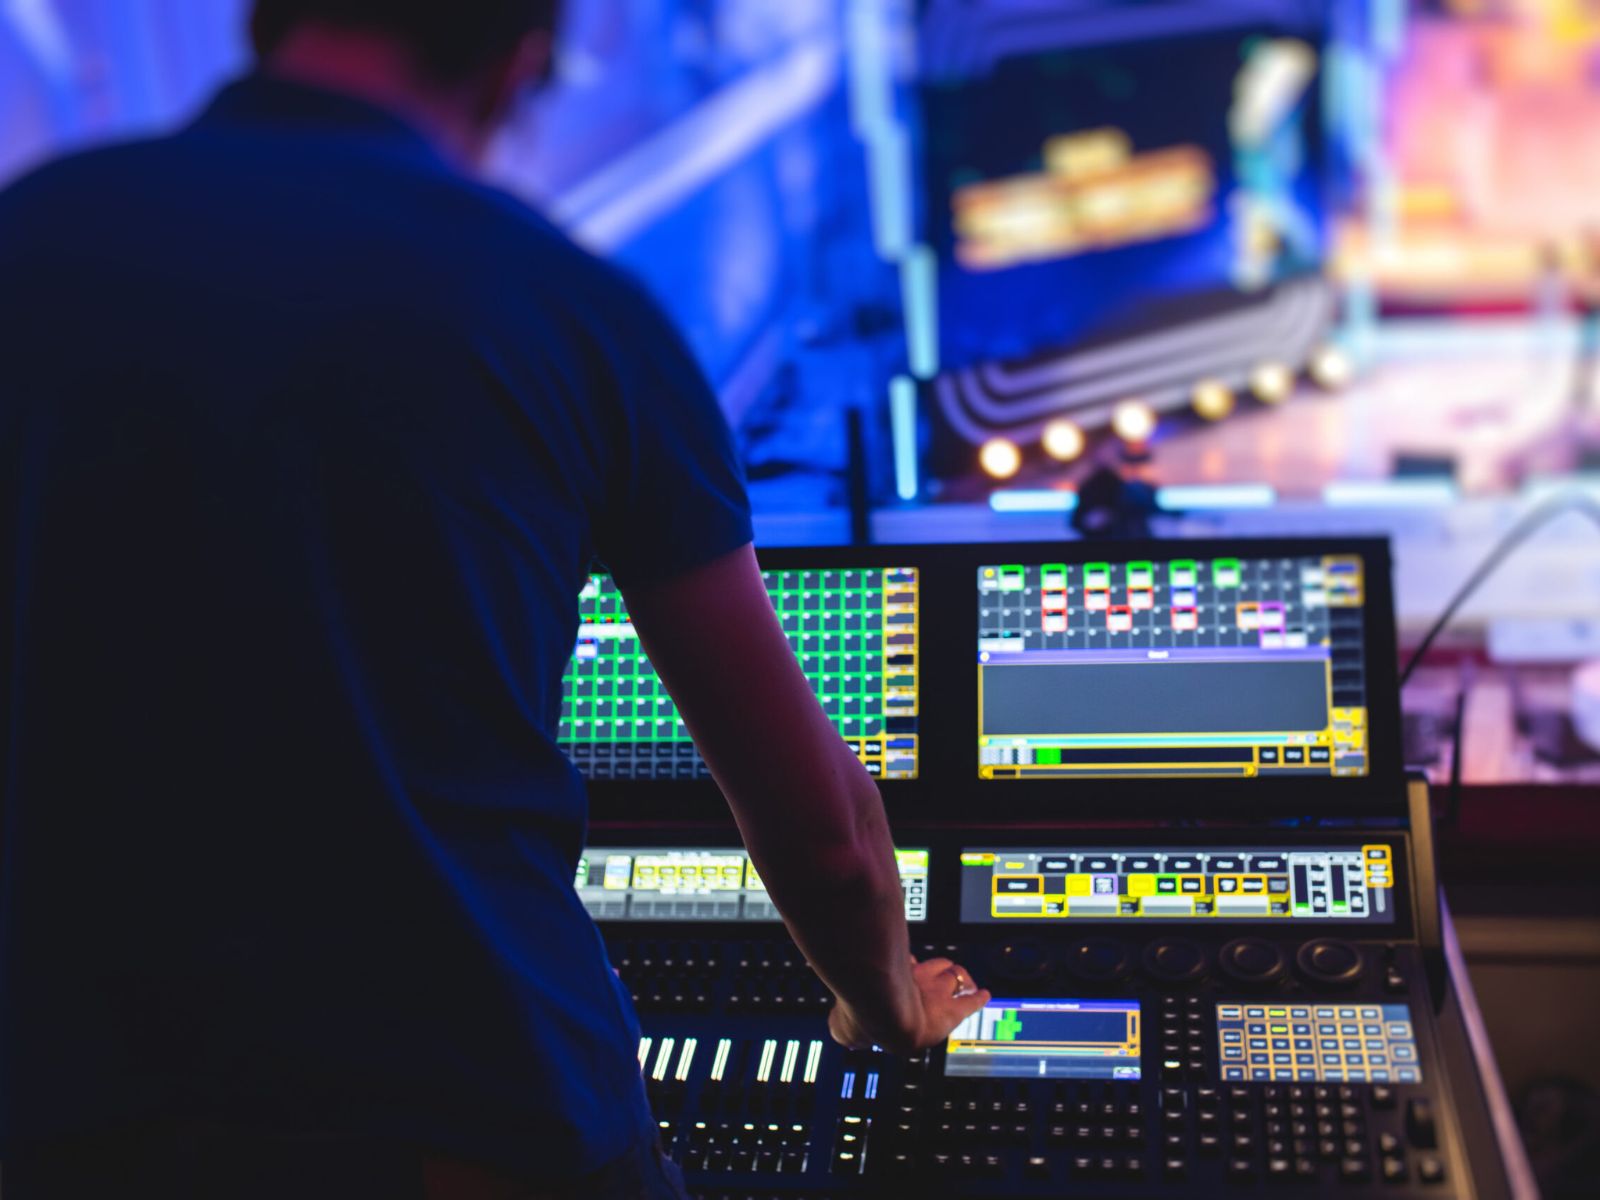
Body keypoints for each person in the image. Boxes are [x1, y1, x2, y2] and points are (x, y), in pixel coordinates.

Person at [0, 1, 989, 1196]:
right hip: (466, 1115)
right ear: (520, 64)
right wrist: (884, 1011)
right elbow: (826, 839)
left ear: (263, 27)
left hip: (72, 1110)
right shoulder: (570, 306)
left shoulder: (31, 237)